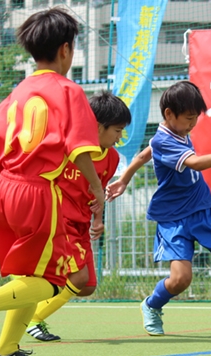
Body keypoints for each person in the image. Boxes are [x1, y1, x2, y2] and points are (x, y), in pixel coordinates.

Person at [0, 7, 105, 356]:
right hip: (39, 192)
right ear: (66, 49)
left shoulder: (20, 89)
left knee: (29, 277)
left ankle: (5, 353)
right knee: (56, 280)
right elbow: (81, 149)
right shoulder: (68, 91)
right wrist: (96, 186)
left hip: (5, 189)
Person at [106, 80, 211, 335]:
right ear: (168, 114)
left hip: (204, 210)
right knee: (180, 280)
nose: (193, 123)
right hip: (173, 218)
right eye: (188, 118)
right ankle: (152, 305)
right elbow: (195, 163)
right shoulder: (165, 140)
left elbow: (144, 154)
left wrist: (124, 179)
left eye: (195, 117)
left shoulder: (177, 131)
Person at [26, 91, 131, 342]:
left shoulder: (112, 158)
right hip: (58, 222)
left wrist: (98, 221)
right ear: (96, 126)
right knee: (78, 277)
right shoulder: (66, 150)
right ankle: (33, 318)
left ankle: (31, 302)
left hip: (82, 224)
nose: (120, 137)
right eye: (117, 130)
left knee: (87, 286)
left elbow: (97, 195)